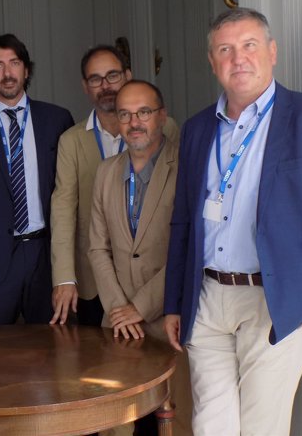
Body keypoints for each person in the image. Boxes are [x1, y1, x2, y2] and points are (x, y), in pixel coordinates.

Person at [164, 7, 302, 436]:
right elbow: (183, 221)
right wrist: (173, 302)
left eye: (249, 45)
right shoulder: (197, 128)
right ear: (212, 61)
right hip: (206, 300)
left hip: (275, 302)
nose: (237, 58)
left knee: (263, 429)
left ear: (272, 52)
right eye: (225, 49)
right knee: (210, 427)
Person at [88, 80, 191, 436]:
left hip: (169, 318)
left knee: (176, 421)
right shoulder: (105, 172)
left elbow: (189, 247)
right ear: (115, 122)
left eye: (144, 112)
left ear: (161, 116)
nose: (134, 123)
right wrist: (120, 310)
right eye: (125, 114)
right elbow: (97, 248)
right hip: (117, 325)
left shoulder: (186, 167)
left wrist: (141, 306)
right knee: (114, 426)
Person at [50, 45, 180, 326]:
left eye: (112, 75)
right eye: (95, 79)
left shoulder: (165, 127)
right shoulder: (71, 141)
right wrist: (64, 276)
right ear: (86, 86)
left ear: (127, 75)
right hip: (95, 277)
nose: (105, 85)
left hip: (156, 280)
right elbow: (62, 210)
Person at [0, 33, 74, 326]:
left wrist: (70, 271)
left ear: (26, 69)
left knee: (56, 349)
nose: (7, 73)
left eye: (14, 63)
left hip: (47, 258)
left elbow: (72, 195)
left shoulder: (57, 120)